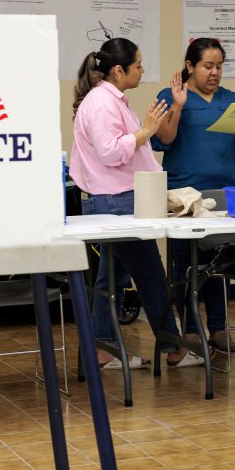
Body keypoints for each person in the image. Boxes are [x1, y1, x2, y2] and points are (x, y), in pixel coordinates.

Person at [69, 37, 202, 369]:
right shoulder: (101, 103)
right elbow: (112, 152)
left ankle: (101, 348)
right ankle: (174, 346)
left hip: (121, 199)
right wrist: (146, 130)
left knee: (111, 279)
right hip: (116, 202)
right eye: (138, 65)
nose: (143, 70)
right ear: (118, 70)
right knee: (150, 274)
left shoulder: (112, 100)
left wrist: (145, 131)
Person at [152, 38, 235, 357]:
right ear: (190, 67)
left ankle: (219, 328)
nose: (214, 73)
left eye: (219, 67)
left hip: (226, 193)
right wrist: (177, 104)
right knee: (183, 265)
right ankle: (188, 330)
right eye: (207, 66)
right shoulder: (171, 96)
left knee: (219, 262)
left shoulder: (232, 99)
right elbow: (163, 140)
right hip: (184, 195)